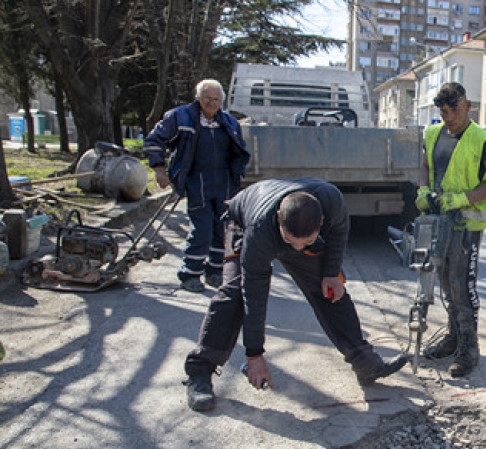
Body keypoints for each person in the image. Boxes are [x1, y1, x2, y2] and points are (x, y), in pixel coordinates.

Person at [182, 178, 406, 411]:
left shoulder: (331, 201)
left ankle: (365, 363)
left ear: (321, 221)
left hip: (287, 226)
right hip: (245, 222)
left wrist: (330, 273)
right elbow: (254, 295)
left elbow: (339, 230)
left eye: (306, 242)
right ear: (279, 218)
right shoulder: (259, 233)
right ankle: (199, 371)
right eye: (291, 242)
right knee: (234, 295)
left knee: (330, 289)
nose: (298, 249)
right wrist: (254, 355)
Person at [418, 82, 486, 377]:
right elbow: (425, 167)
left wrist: (461, 199)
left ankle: (469, 347)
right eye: (443, 111)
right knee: (444, 282)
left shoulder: (483, 139)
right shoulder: (432, 134)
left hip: (466, 225)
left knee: (462, 287)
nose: (448, 116)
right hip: (439, 222)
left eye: (453, 110)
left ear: (467, 105)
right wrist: (422, 191)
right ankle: (453, 337)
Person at [144, 79, 250, 293]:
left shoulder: (228, 122)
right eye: (208, 99)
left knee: (223, 230)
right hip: (197, 181)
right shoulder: (180, 117)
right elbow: (154, 140)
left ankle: (214, 271)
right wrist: (159, 169)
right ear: (198, 98)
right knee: (202, 229)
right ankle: (190, 274)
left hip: (224, 182)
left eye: (216, 100)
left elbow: (239, 151)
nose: (212, 103)